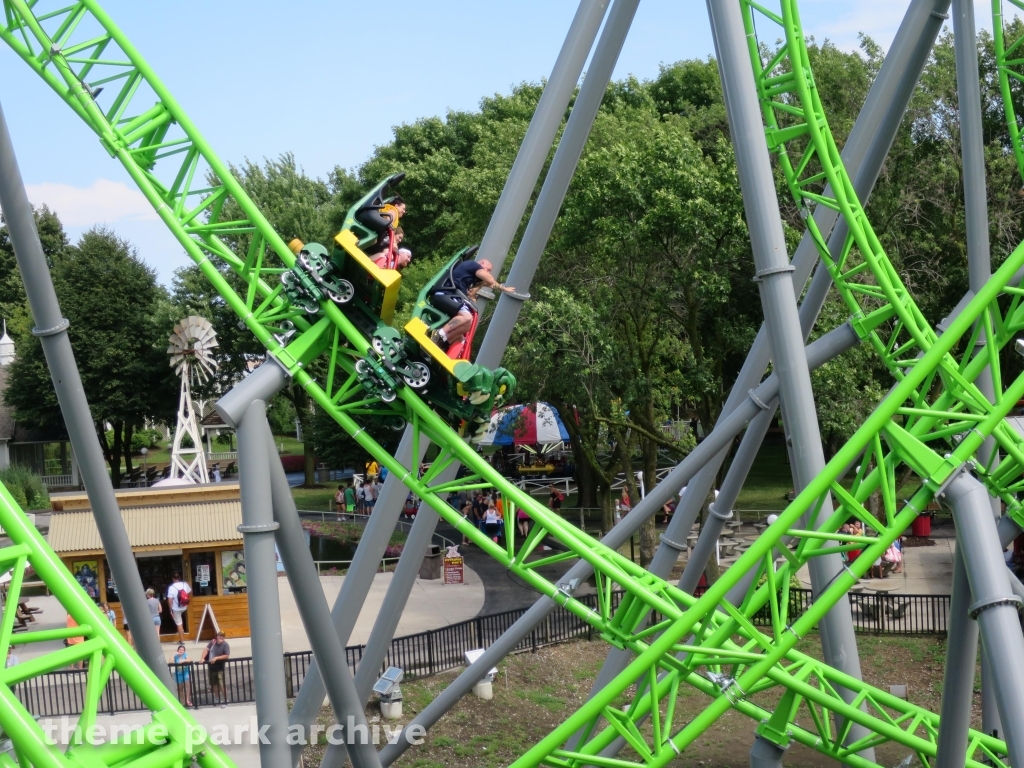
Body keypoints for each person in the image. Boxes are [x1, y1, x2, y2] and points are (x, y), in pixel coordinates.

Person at [429, 259, 516, 350]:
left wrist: (502, 288)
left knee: (467, 325)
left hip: (454, 296)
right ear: (482, 264)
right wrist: (486, 282)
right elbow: (490, 280)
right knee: (467, 317)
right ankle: (438, 334)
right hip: (446, 293)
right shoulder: (473, 265)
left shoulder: (471, 276)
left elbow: (490, 284)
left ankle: (444, 342)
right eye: (488, 269)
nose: (489, 272)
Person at [201, 631, 231, 707]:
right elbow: (206, 649)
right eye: (220, 636)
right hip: (211, 667)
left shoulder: (225, 645)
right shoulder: (212, 642)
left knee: (222, 684)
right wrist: (202, 658)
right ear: (217, 636)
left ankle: (226, 700)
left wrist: (216, 658)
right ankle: (217, 698)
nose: (221, 637)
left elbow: (226, 655)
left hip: (220, 668)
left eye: (223, 636)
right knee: (213, 684)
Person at [167, 573, 191, 643]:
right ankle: (182, 631)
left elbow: (169, 600)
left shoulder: (171, 587)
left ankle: (182, 640)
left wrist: (170, 610)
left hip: (176, 608)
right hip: (184, 606)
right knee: (181, 621)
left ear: (172, 579)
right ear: (179, 577)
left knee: (179, 623)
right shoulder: (185, 584)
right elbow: (189, 592)